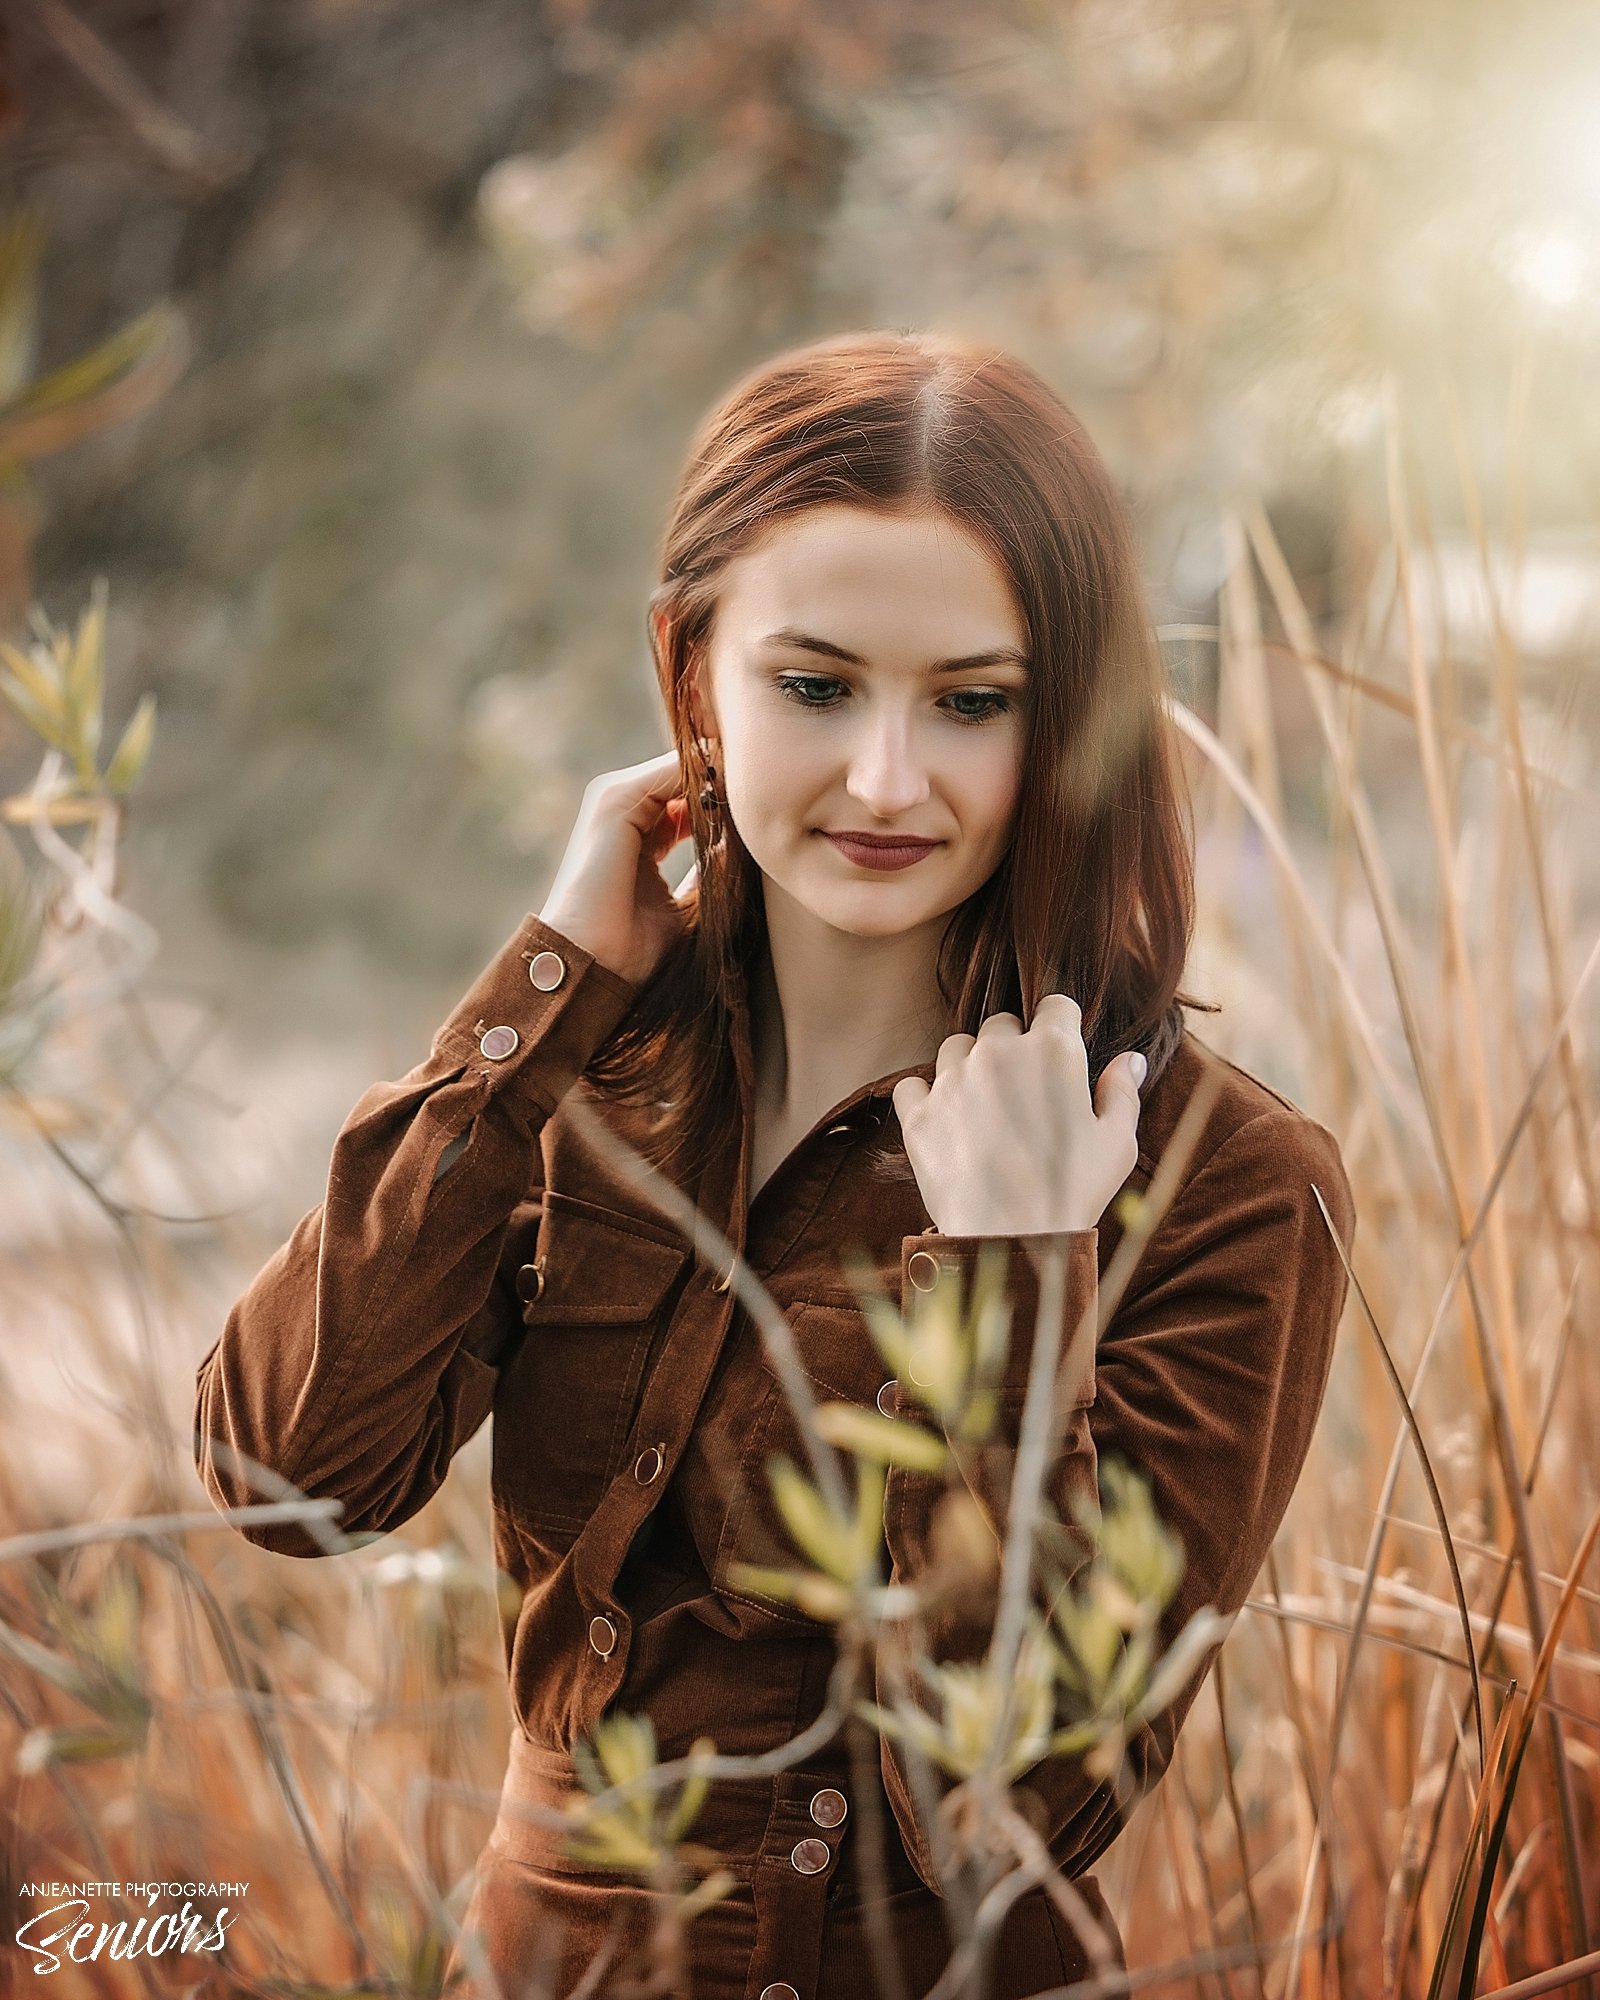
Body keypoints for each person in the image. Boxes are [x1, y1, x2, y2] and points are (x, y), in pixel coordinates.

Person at [193, 329, 1356, 1999]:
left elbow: (1019, 1788)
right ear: (691, 681)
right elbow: (286, 1477)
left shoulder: (1218, 1175)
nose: (889, 779)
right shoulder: (587, 1073)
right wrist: (530, 1010)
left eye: (972, 703)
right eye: (816, 687)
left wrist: (1023, 1274)